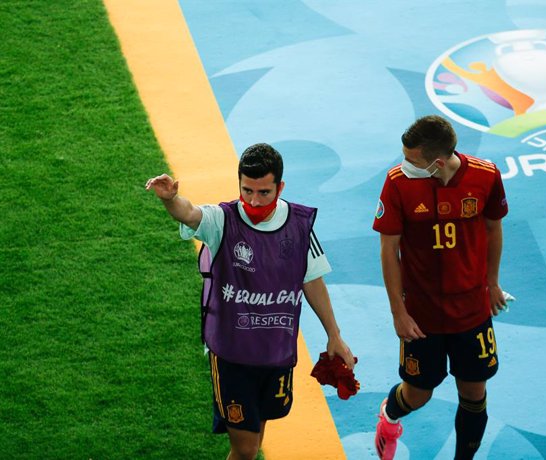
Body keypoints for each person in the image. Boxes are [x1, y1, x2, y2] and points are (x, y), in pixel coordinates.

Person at [146, 143, 355, 460]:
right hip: (232, 354)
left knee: (255, 442)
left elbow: (312, 280)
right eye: (247, 190)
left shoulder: (299, 226)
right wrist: (171, 199)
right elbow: (190, 214)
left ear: (280, 187)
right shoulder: (223, 221)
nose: (254, 201)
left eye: (264, 192)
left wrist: (334, 335)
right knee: (244, 450)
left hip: (275, 351)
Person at [372, 115, 509, 460]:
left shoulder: (486, 175)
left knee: (474, 395)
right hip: (422, 315)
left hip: (472, 311)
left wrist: (492, 283)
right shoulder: (398, 183)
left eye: (411, 159)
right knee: (418, 395)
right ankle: (389, 416)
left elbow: (493, 229)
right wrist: (398, 312)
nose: (404, 165)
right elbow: (389, 250)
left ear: (436, 162)